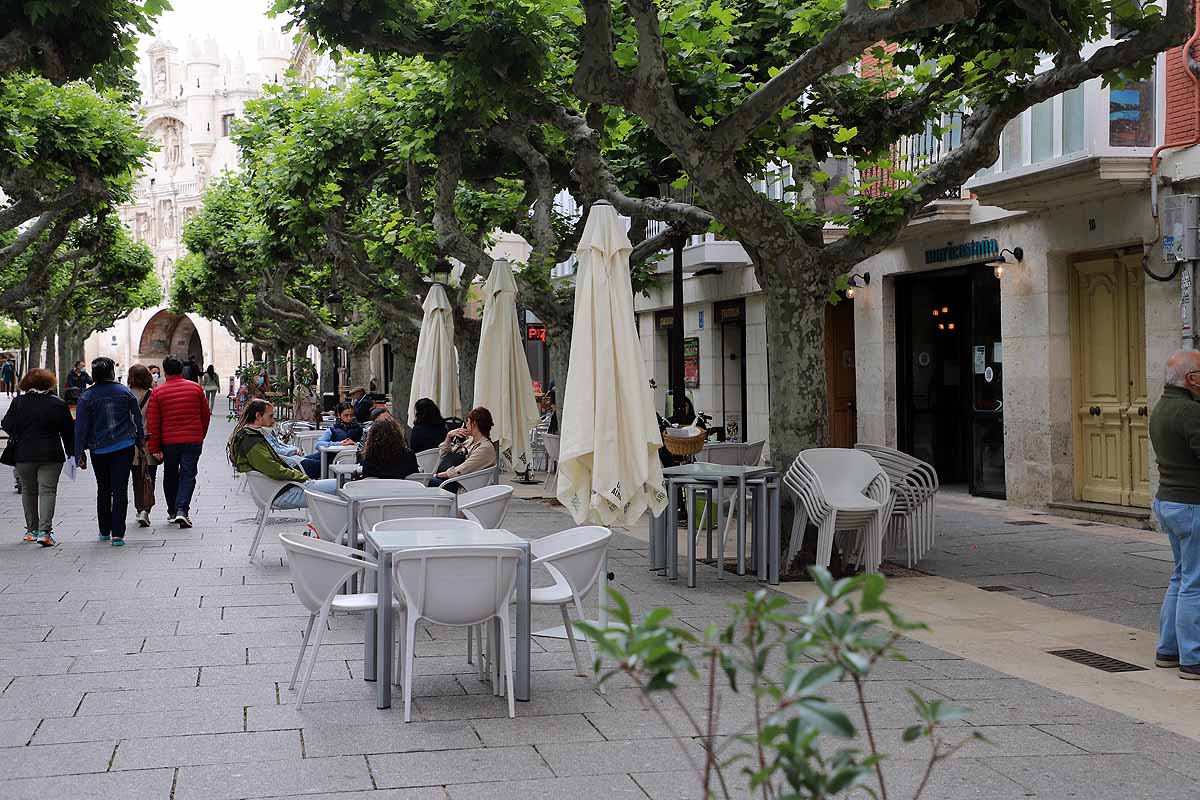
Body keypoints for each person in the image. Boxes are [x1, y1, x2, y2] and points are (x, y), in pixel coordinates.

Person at [1149, 350, 1200, 680]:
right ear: (1192, 379)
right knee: (1195, 582)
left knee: (1181, 576)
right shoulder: (1190, 411)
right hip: (1191, 504)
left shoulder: (1161, 408)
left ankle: (1167, 650)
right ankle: (1192, 659)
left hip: (1168, 501)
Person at [74, 357, 144, 546]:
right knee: (120, 489)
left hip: (99, 449)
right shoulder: (124, 392)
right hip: (124, 446)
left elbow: (80, 427)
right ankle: (118, 534)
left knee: (103, 489)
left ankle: (104, 530)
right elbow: (137, 419)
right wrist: (141, 442)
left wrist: (79, 452)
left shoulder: (86, 397)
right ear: (112, 372)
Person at [2, 368, 74, 546]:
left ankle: (31, 530)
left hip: (24, 454)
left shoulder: (19, 402)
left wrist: (20, 433)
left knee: (28, 491)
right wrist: (73, 453)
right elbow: (68, 432)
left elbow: (6, 424)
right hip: (51, 454)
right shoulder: (57, 403)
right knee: (47, 491)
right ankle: (44, 532)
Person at [227, 399, 336, 508]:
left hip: (282, 487)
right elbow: (274, 469)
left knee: (335, 478)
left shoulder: (252, 436)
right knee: (341, 485)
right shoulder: (251, 441)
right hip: (282, 492)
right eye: (270, 416)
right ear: (258, 416)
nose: (273, 420)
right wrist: (301, 476)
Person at [145, 354, 211, 528]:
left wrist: (154, 447)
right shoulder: (196, 389)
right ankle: (182, 509)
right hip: (192, 439)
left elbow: (153, 422)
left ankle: (172, 511)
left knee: (170, 474)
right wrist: (200, 435)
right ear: (182, 369)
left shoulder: (158, 392)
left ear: (165, 371)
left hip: (169, 442)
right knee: (188, 474)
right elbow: (205, 415)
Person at [431, 406, 496, 489]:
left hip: (463, 486)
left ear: (474, 424)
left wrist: (437, 475)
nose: (466, 425)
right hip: (455, 481)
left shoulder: (485, 448)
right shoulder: (470, 441)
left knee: (428, 482)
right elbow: (444, 455)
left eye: (468, 422)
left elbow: (461, 470)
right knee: (427, 482)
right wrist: (449, 437)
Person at [126, 365, 159, 528]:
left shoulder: (124, 394)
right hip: (148, 441)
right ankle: (146, 509)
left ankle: (140, 508)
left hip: (130, 442)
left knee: (136, 476)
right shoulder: (153, 395)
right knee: (149, 476)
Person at [298, 402, 363, 479]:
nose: (349, 418)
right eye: (346, 415)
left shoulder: (359, 429)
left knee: (300, 463)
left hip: (334, 461)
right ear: (339, 415)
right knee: (300, 461)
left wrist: (356, 444)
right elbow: (318, 444)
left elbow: (363, 444)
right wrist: (340, 444)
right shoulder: (333, 429)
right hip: (330, 458)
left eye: (351, 415)